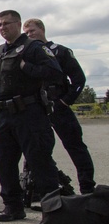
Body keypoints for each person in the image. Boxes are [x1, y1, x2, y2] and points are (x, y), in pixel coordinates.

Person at [0, 10, 63, 221]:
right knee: (5, 163)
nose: (3, 28)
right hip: (3, 117)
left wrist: (27, 68)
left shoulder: (34, 48)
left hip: (29, 114)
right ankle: (13, 207)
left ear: (18, 23)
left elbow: (55, 73)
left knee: (39, 161)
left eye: (7, 23)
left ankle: (54, 211)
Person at [23, 18, 97, 194]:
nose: (29, 35)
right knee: (36, 151)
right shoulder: (26, 55)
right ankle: (37, 188)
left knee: (75, 146)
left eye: (32, 31)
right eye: (26, 33)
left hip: (58, 106)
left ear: (42, 30)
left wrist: (65, 100)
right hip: (37, 108)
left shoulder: (60, 51)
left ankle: (87, 188)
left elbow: (78, 79)